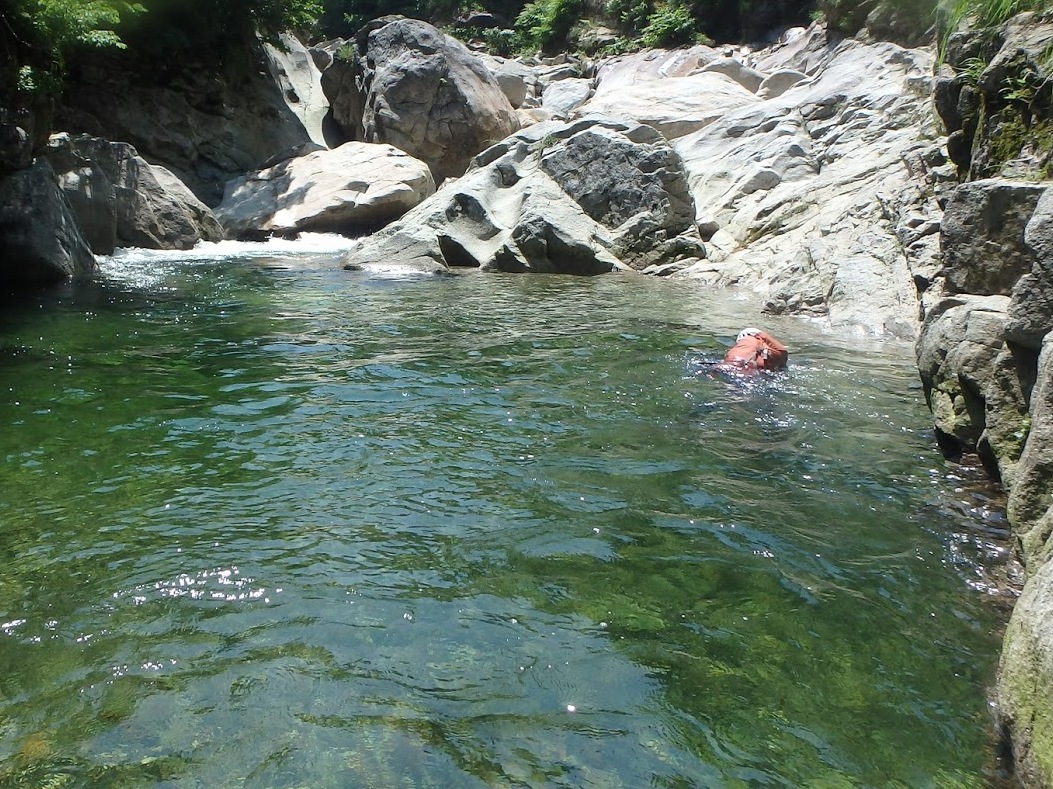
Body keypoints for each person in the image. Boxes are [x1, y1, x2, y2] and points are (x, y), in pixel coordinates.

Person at [715, 327, 788, 373]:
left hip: (732, 359)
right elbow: (783, 354)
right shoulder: (767, 344)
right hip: (755, 366)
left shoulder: (740, 345)